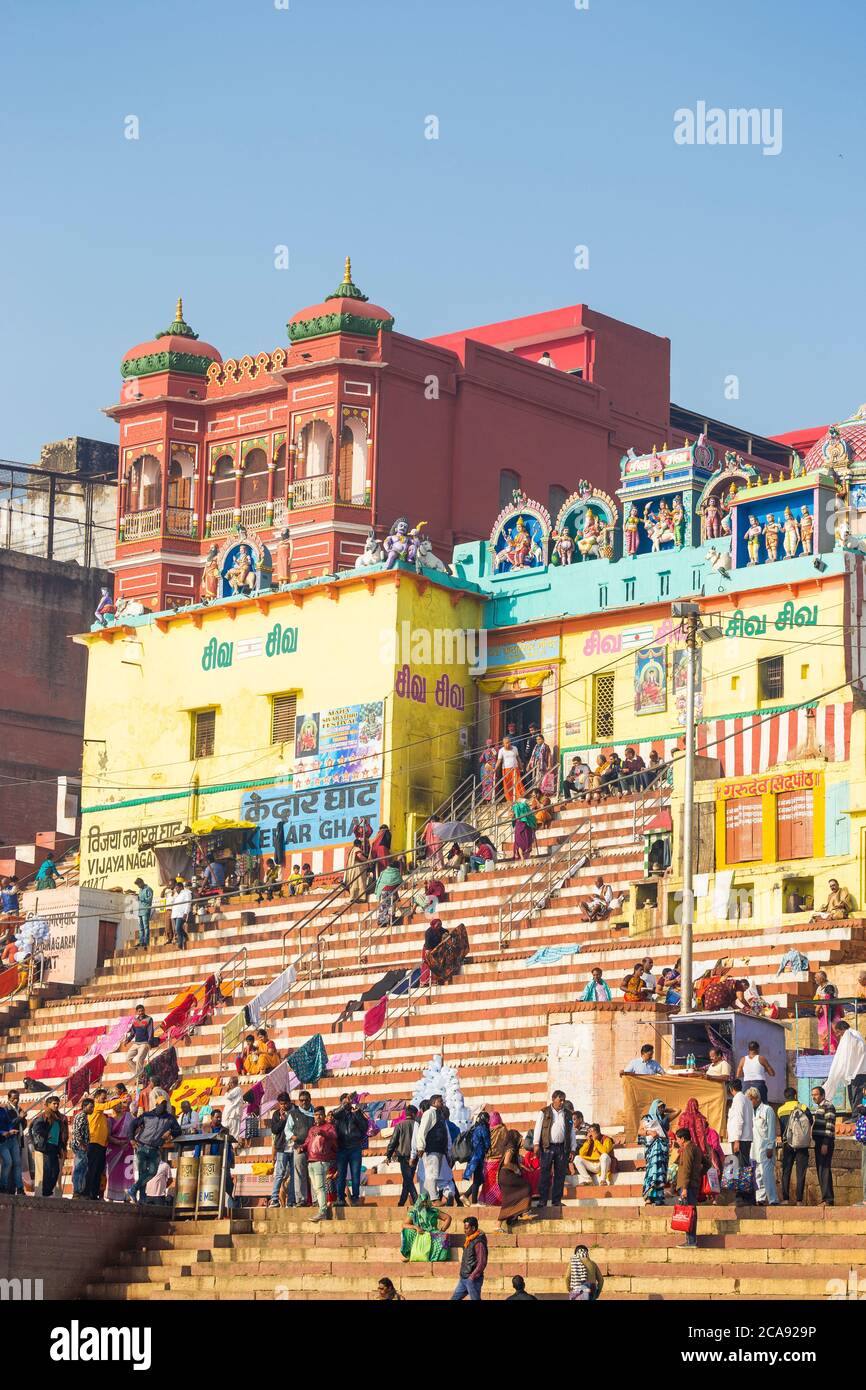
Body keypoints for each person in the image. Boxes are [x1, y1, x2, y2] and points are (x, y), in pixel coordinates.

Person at [130, 1093, 181, 1204]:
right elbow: (133, 1124)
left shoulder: (170, 1118)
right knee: (143, 1172)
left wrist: (171, 1132)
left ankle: (133, 1189)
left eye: (164, 1104)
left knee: (152, 1172)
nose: (163, 1106)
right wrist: (132, 1139)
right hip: (142, 1146)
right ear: (156, 1105)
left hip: (155, 1148)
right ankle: (142, 1198)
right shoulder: (147, 1115)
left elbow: (179, 1131)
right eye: (161, 1104)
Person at [532, 1090, 574, 1208]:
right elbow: (538, 1128)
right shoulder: (544, 1112)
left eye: (563, 1100)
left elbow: (571, 1132)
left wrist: (573, 1149)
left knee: (560, 1175)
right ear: (553, 1099)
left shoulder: (567, 1114)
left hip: (562, 1148)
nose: (562, 1102)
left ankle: (556, 1201)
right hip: (547, 1147)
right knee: (545, 1174)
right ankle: (542, 1201)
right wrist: (536, 1144)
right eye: (560, 1099)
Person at [84, 1088, 124, 1200]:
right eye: (103, 1098)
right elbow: (106, 1106)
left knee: (98, 1170)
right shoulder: (95, 1106)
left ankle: (95, 1193)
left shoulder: (102, 1115)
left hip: (102, 1145)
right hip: (94, 1143)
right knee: (92, 1169)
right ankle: (88, 1192)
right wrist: (120, 1099)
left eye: (105, 1098)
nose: (104, 1100)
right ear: (96, 1098)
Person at [303, 1106, 338, 1222]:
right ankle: (321, 1210)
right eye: (316, 1115)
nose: (318, 1117)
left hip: (321, 1161)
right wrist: (301, 1147)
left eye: (320, 1115)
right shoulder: (312, 1129)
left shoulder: (329, 1127)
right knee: (316, 1188)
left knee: (320, 1187)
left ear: (324, 1115)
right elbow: (307, 1141)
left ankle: (322, 1212)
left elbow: (334, 1136)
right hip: (311, 1161)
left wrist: (322, 1132)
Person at [778, 1087, 811, 1205]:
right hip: (801, 1144)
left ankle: (786, 1199)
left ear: (785, 1097)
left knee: (786, 1171)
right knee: (800, 1172)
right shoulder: (803, 1107)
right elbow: (810, 1122)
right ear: (795, 1095)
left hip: (787, 1143)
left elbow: (781, 1127)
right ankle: (799, 1200)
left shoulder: (780, 1110)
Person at [334, 1093, 369, 1206]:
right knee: (341, 1175)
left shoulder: (356, 1113)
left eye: (348, 1102)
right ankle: (340, 1199)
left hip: (355, 1148)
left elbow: (364, 1128)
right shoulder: (338, 1113)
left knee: (355, 1174)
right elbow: (334, 1114)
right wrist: (344, 1106)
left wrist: (357, 1114)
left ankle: (355, 1198)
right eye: (344, 1102)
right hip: (341, 1148)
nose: (347, 1104)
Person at [30, 1096, 68, 1196]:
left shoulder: (59, 1117)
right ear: (48, 1104)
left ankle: (47, 1191)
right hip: (47, 1146)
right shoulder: (45, 1115)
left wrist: (62, 1147)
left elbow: (62, 1134)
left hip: (55, 1146)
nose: (56, 1105)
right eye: (54, 1103)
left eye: (57, 1103)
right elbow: (36, 1128)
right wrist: (47, 1134)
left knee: (55, 1171)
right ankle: (46, 1192)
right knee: (48, 1170)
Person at [746, 1087, 779, 1205]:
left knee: (767, 1175)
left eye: (750, 1100)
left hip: (765, 1148)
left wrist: (770, 1146)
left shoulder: (767, 1110)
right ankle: (760, 1199)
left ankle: (773, 1199)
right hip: (753, 1149)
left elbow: (771, 1130)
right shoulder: (749, 1112)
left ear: (756, 1098)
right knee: (757, 1175)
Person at [825, 1019, 866, 1111]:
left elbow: (856, 1045)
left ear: (843, 1029)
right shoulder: (850, 1036)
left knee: (857, 1096)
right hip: (852, 1074)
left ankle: (856, 1116)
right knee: (852, 1096)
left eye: (838, 1032)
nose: (838, 1035)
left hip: (858, 1073)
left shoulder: (852, 1035)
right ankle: (854, 1115)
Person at [497, 1128, 532, 1232]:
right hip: (508, 1175)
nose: (522, 1141)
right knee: (526, 1187)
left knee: (507, 1201)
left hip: (503, 1176)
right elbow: (507, 1161)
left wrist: (521, 1166)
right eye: (520, 1138)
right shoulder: (511, 1146)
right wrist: (516, 1169)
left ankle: (498, 1225)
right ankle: (525, 1212)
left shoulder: (507, 1146)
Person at [400, 1190, 451, 1261]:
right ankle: (409, 1255)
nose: (424, 1204)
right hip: (419, 1232)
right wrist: (415, 1227)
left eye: (426, 1202)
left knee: (444, 1236)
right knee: (407, 1231)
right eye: (422, 1202)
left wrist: (442, 1230)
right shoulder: (414, 1212)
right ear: (418, 1201)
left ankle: (435, 1257)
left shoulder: (433, 1211)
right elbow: (404, 1224)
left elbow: (448, 1218)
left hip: (432, 1233)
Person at [416, 1094, 450, 1200]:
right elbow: (422, 1131)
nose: (442, 1103)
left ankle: (423, 1200)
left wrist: (447, 1151)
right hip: (431, 1150)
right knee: (432, 1174)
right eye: (440, 1101)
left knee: (431, 1176)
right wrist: (420, 1147)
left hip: (439, 1150)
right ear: (434, 1102)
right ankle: (434, 1199)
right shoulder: (429, 1113)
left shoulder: (440, 1115)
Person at [674, 1127, 702, 1247]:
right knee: (691, 1212)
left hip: (688, 1186)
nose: (677, 1141)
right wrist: (698, 1175)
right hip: (693, 1184)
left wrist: (684, 1188)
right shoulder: (695, 1148)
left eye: (677, 1139)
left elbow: (686, 1169)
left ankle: (691, 1241)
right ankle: (691, 1240)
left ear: (682, 1139)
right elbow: (707, 1164)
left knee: (689, 1213)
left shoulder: (688, 1149)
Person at [386, 1104, 418, 1207]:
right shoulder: (417, 1125)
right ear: (413, 1114)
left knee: (408, 1180)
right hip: (415, 1156)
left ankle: (416, 1202)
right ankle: (401, 1203)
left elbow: (393, 1141)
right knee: (408, 1179)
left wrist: (388, 1155)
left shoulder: (399, 1125)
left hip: (403, 1156)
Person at [638, 1099, 669, 1205]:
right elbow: (640, 1131)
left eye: (662, 1107)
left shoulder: (664, 1119)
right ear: (654, 1107)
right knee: (652, 1171)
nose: (661, 1109)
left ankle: (659, 1197)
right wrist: (650, 1132)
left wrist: (665, 1109)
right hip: (652, 1148)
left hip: (663, 1148)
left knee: (660, 1173)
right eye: (659, 1107)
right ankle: (649, 1197)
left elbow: (677, 1111)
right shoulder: (647, 1118)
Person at [450, 1216, 488, 1300]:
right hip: (464, 1278)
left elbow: (482, 1263)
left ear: (473, 1228)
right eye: (464, 1228)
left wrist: (472, 1277)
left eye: (467, 1228)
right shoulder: (469, 1239)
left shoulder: (479, 1242)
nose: (465, 1231)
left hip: (473, 1279)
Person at [288, 1090, 315, 1206]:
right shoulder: (293, 1113)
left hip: (313, 1148)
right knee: (299, 1174)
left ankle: (316, 1200)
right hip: (299, 1147)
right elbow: (287, 1130)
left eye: (306, 1100)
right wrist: (293, 1137)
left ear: (310, 1100)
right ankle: (301, 1200)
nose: (304, 1102)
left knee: (314, 1174)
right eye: (301, 1100)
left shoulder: (315, 1112)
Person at [268, 1092, 295, 1208]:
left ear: (289, 1102)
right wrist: (283, 1120)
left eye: (284, 1104)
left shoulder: (296, 1111)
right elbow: (274, 1130)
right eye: (281, 1104)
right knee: (279, 1174)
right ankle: (274, 1199)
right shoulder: (276, 1114)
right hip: (282, 1148)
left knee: (295, 1176)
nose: (283, 1106)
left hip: (295, 1147)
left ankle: (291, 1201)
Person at [810, 1085, 836, 1204]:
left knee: (824, 1169)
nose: (813, 1097)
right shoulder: (819, 1107)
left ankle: (828, 1199)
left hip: (825, 1142)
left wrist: (825, 1143)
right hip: (819, 1142)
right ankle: (825, 1198)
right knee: (821, 1169)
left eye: (816, 1094)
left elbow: (830, 1126)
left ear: (822, 1095)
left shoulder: (828, 1106)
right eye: (812, 1095)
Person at [727, 1078, 754, 1181]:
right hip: (745, 1138)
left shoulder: (738, 1099)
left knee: (740, 1167)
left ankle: (743, 1194)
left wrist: (737, 1139)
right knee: (744, 1166)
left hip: (740, 1138)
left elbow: (739, 1120)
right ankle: (747, 1194)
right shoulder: (746, 1099)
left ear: (731, 1089)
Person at [462, 1110, 491, 1204]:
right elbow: (487, 1143)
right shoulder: (483, 1128)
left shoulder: (474, 1127)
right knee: (477, 1179)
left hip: (473, 1157)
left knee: (478, 1179)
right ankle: (473, 1202)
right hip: (478, 1156)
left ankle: (466, 1195)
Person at [813, 971, 844, 1055]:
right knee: (834, 1040)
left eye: (816, 977)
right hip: (831, 1018)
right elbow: (843, 1014)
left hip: (827, 1019)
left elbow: (817, 1009)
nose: (815, 979)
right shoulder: (819, 988)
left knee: (828, 1041)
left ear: (822, 978)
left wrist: (818, 1011)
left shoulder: (831, 986)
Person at [736, 1040, 775, 1105]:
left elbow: (738, 1075)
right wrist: (764, 1070)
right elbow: (772, 1073)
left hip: (746, 1085)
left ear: (748, 1049)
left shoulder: (743, 1059)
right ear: (758, 1049)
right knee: (763, 1105)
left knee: (746, 1105)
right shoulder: (761, 1058)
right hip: (759, 1084)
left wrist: (747, 1073)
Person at [0, 1091, 24, 1195]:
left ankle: (20, 1188)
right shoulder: (6, 1109)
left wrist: (11, 1130)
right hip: (4, 1140)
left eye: (17, 1098)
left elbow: (14, 1124)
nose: (16, 1100)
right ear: (9, 1098)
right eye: (14, 1098)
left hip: (14, 1138)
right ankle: (3, 1186)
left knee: (17, 1164)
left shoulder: (15, 1109)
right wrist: (20, 1118)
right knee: (8, 1162)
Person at [70, 1097, 93, 1198]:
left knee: (82, 1169)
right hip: (80, 1147)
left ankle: (79, 1191)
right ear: (84, 1106)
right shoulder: (81, 1116)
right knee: (79, 1169)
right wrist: (82, 1144)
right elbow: (77, 1131)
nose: (92, 1109)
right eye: (90, 1107)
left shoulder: (82, 1116)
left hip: (81, 1146)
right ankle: (77, 1192)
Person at [125, 1004, 155, 1082]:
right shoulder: (135, 1020)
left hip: (144, 1043)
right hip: (136, 1043)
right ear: (137, 1012)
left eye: (142, 1010)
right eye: (139, 1011)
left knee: (139, 1059)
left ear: (144, 1010)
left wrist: (149, 1043)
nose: (141, 1012)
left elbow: (150, 1031)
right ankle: (139, 1074)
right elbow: (132, 1033)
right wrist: (127, 1040)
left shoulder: (149, 1019)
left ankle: (139, 1078)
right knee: (128, 1058)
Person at [496, 736, 525, 805]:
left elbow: (518, 758)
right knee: (507, 784)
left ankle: (519, 797)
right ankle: (509, 799)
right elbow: (499, 760)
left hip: (515, 768)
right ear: (503, 744)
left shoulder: (515, 748)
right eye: (506, 743)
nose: (507, 744)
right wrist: (495, 768)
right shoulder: (501, 750)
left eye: (509, 742)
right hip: (506, 769)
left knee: (517, 782)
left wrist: (521, 766)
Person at [343, 839, 369, 904]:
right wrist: (367, 860)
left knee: (354, 883)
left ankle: (353, 898)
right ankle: (361, 898)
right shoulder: (356, 849)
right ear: (359, 844)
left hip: (352, 870)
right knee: (360, 882)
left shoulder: (351, 850)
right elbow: (359, 856)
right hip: (357, 869)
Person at [170, 878, 192, 949]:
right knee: (177, 929)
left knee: (178, 928)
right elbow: (171, 903)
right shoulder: (176, 895)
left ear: (181, 887)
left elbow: (188, 903)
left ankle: (180, 943)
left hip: (182, 913)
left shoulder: (187, 893)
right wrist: (173, 895)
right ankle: (185, 936)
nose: (176, 889)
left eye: (177, 888)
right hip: (175, 914)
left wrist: (186, 913)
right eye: (175, 888)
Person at [133, 877, 153, 949]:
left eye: (138, 884)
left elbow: (149, 900)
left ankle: (146, 942)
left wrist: (141, 899)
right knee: (141, 928)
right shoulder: (140, 890)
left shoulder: (148, 889)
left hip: (145, 909)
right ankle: (141, 941)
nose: (138, 886)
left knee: (145, 927)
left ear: (141, 882)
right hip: (140, 910)